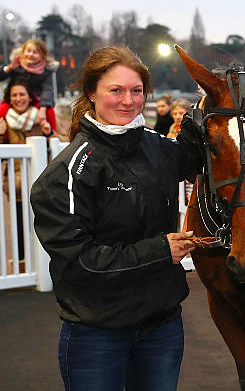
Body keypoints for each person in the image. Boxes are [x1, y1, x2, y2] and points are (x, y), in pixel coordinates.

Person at [30, 45, 203, 391]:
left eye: (136, 91)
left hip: (161, 327)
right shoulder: (65, 174)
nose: (128, 101)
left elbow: (198, 159)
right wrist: (161, 251)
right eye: (116, 90)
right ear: (92, 94)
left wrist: (207, 106)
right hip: (97, 333)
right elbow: (80, 263)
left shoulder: (158, 147)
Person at [1, 79, 55, 272]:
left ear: (30, 97)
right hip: (17, 183)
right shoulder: (5, 121)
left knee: (46, 223)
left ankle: (47, 264)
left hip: (43, 183)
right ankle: (22, 263)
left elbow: (59, 149)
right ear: (9, 99)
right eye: (14, 95)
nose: (18, 98)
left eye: (22, 94)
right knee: (20, 225)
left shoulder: (40, 119)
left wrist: (49, 133)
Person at [0, 39, 59, 131]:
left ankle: (52, 134)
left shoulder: (46, 71)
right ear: (23, 52)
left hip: (35, 99)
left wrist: (43, 108)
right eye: (28, 51)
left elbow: (48, 90)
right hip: (15, 98)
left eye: (35, 52)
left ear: (42, 55)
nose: (30, 54)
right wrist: (10, 67)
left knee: (49, 111)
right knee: (2, 109)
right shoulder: (17, 64)